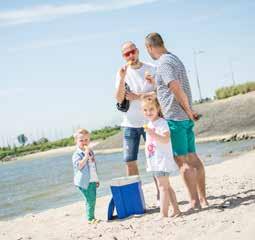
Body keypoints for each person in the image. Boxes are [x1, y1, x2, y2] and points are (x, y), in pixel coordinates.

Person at [144, 32, 208, 210]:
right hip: (184, 118)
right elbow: (167, 87)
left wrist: (188, 110)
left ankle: (194, 202)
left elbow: (175, 87)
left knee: (182, 161)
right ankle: (203, 199)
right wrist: (155, 82)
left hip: (175, 117)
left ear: (149, 47)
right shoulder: (174, 59)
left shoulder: (163, 62)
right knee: (193, 158)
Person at [141, 94, 181, 217]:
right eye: (145, 110)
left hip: (162, 160)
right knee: (167, 186)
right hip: (155, 160)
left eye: (151, 109)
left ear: (158, 108)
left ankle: (163, 214)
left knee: (162, 187)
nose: (148, 112)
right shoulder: (150, 123)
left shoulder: (161, 123)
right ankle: (176, 210)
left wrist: (152, 133)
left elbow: (165, 139)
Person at [72, 128, 100, 224]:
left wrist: (96, 179)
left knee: (93, 199)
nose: (84, 142)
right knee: (90, 199)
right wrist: (86, 156)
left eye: (86, 140)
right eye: (81, 140)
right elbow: (79, 166)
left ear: (89, 140)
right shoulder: (77, 154)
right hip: (83, 182)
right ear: (76, 141)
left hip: (92, 179)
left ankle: (92, 217)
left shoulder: (90, 151)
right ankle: (90, 218)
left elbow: (93, 166)